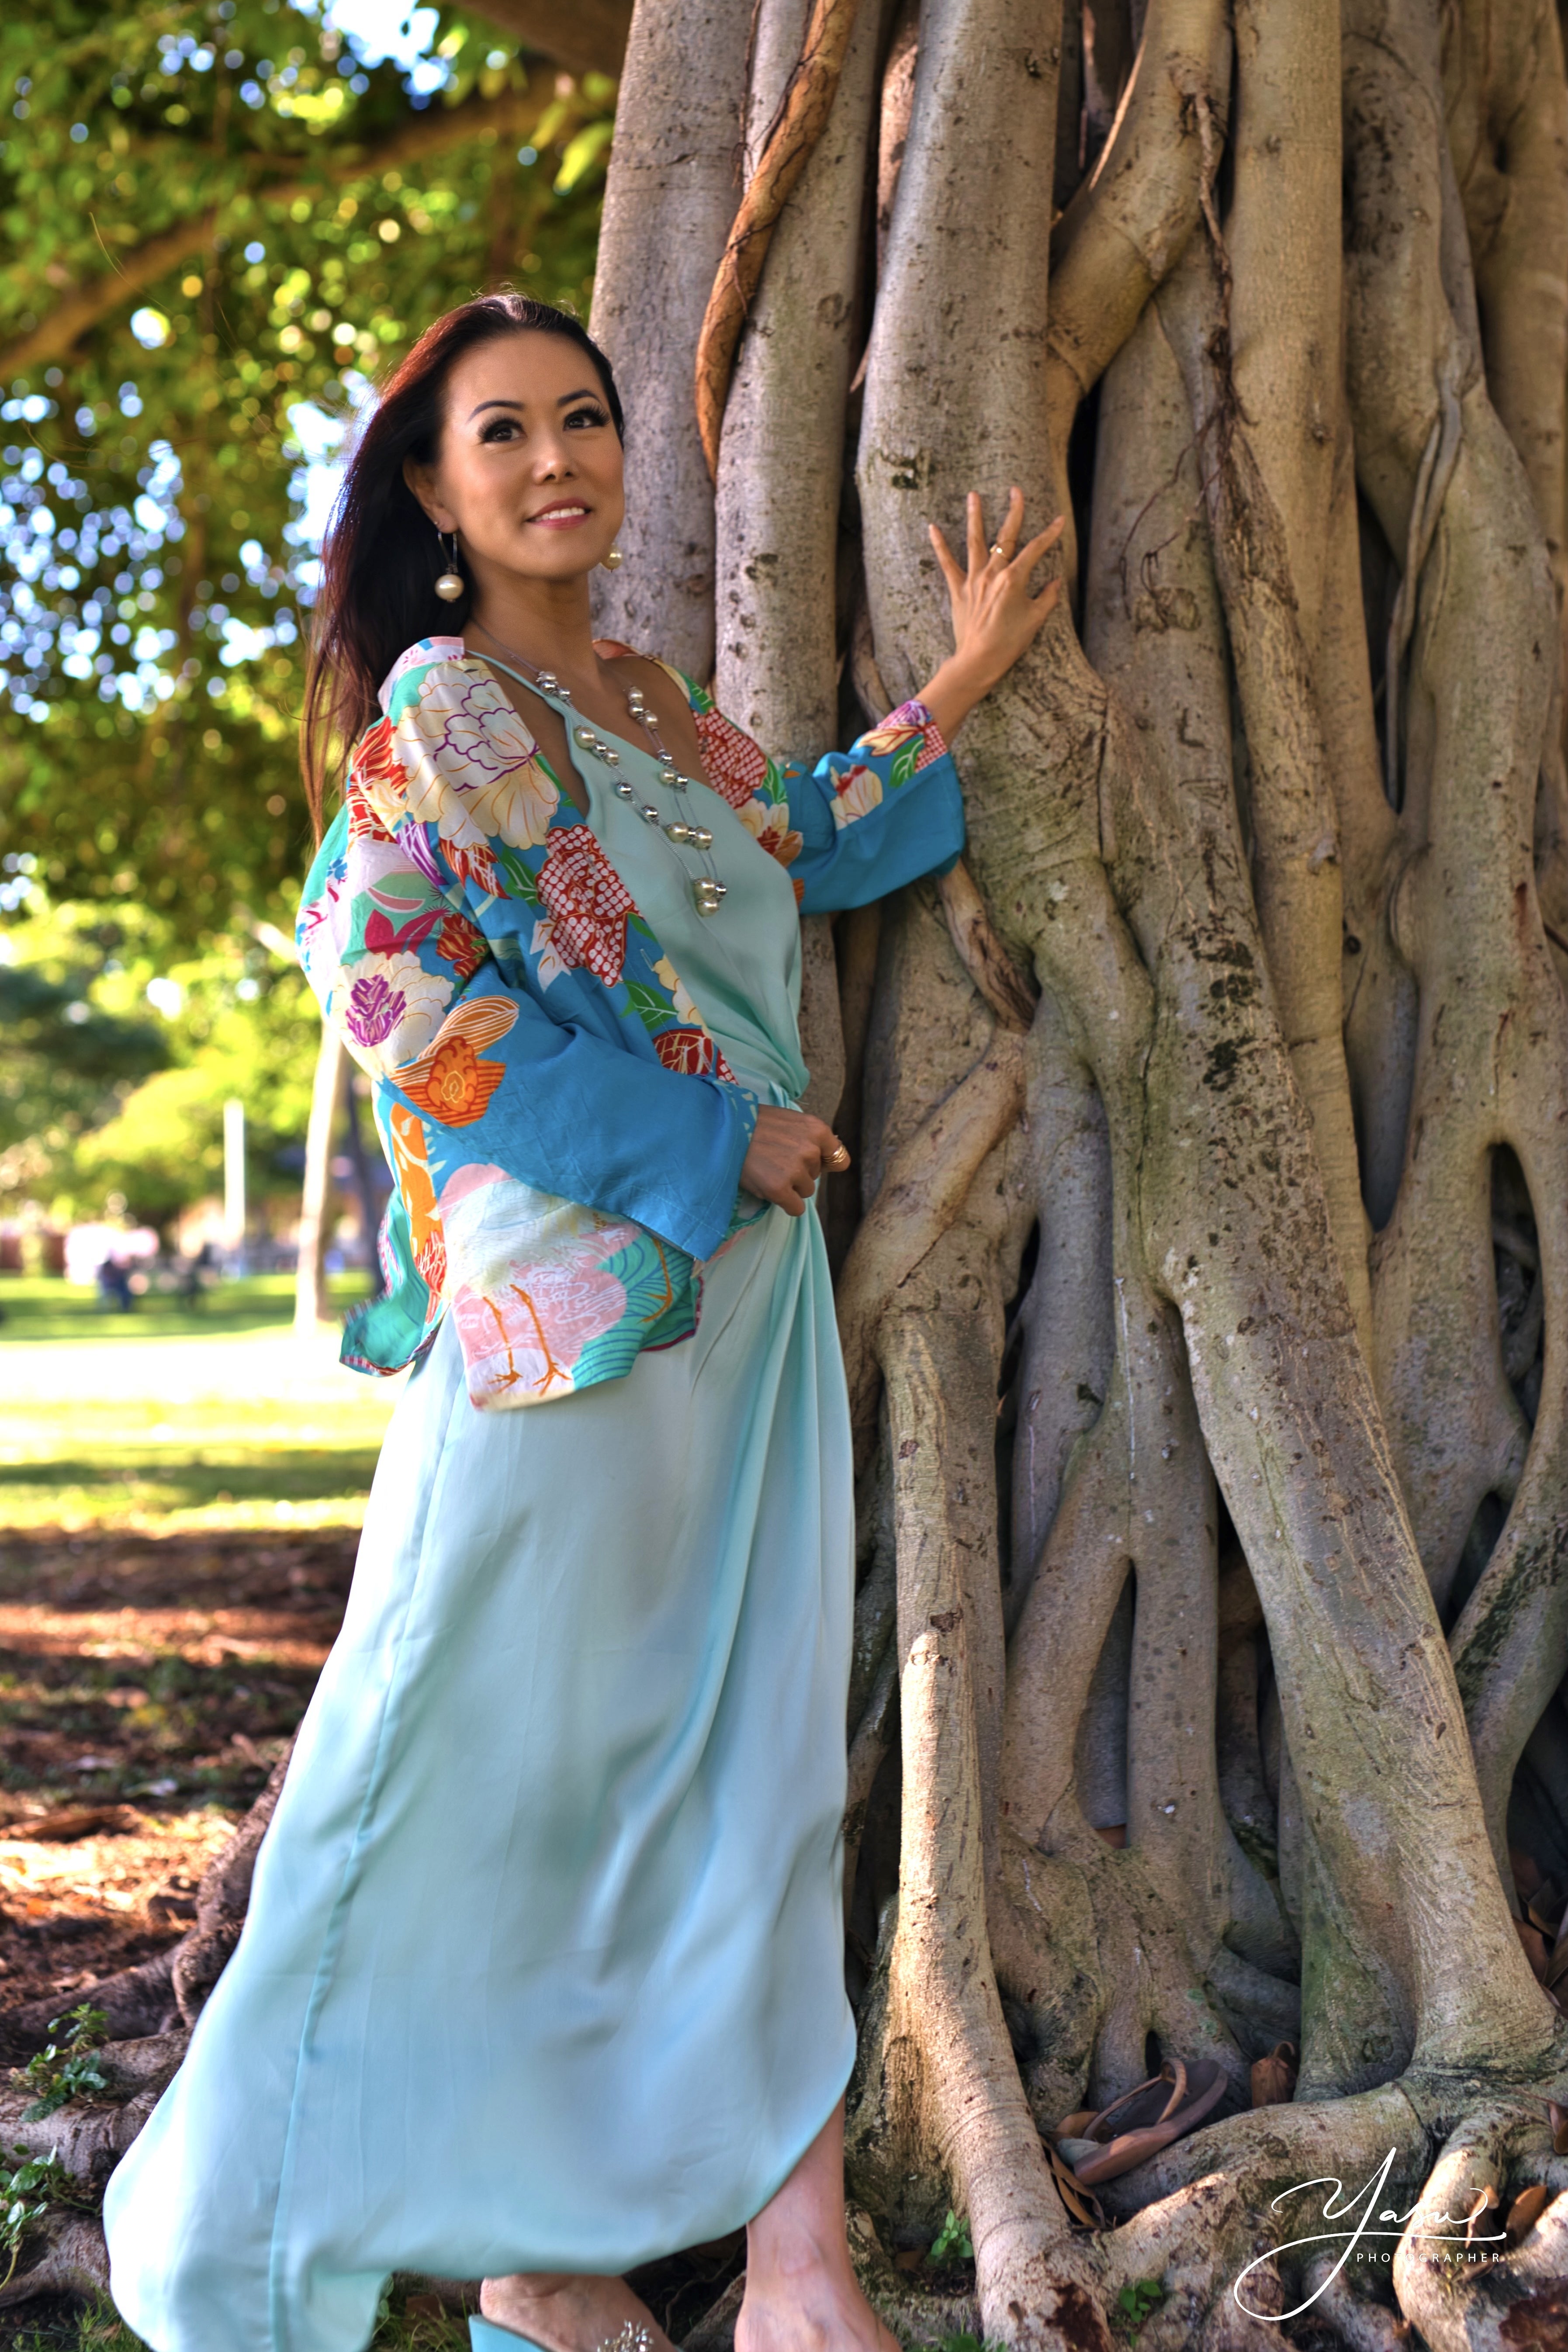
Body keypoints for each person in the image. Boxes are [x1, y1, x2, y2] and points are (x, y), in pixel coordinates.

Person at [103, 292, 1060, 2352]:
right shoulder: (438, 716)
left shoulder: (647, 703)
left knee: (739, 1772)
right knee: (466, 1761)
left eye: (587, 419)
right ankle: (249, 2239)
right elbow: (398, 998)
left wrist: (965, 679)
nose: (557, 460)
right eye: (504, 432)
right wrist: (710, 1137)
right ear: (433, 490)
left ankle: (705, 2269)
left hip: (751, 1318)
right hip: (572, 1314)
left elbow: (796, 830)